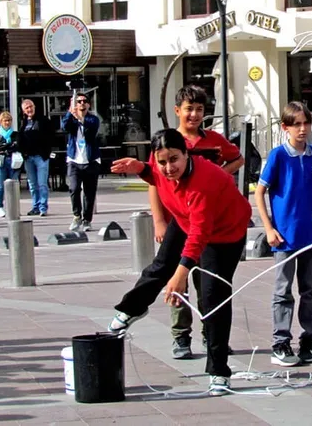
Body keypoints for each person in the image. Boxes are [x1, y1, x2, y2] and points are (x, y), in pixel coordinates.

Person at [108, 129, 251, 396]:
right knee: (160, 265)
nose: (168, 167)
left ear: (186, 154)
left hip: (224, 233)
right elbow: (154, 174)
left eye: (174, 159)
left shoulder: (203, 181)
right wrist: (140, 167)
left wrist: (181, 274)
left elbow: (200, 234)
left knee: (213, 297)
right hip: (186, 219)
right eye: (162, 161)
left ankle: (219, 371)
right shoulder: (159, 168)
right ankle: (132, 309)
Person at [154, 85, 244, 359]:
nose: (194, 115)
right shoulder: (169, 142)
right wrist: (159, 220)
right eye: (189, 109)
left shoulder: (214, 139)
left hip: (211, 228)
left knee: (208, 285)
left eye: (200, 110)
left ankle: (211, 333)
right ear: (177, 111)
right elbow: (155, 181)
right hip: (180, 225)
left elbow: (238, 159)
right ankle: (181, 336)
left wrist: (218, 174)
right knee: (177, 278)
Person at [255, 102, 312, 367]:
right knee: (283, 289)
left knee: (309, 289)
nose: (303, 129)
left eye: (306, 123)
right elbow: (260, 192)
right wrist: (269, 227)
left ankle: (308, 339)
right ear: (285, 127)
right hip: (284, 235)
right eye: (296, 124)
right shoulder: (278, 156)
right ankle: (280, 341)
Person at [61, 92, 101, 232]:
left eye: (84, 101)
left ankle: (87, 220)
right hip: (74, 160)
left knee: (89, 192)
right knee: (74, 188)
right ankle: (76, 215)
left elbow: (91, 130)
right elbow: (65, 126)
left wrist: (80, 118)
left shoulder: (93, 119)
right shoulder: (71, 119)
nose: (82, 104)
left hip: (90, 160)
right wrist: (70, 112)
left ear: (89, 104)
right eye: (78, 101)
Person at [19, 99, 53, 216]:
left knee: (42, 183)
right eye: (26, 108)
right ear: (23, 111)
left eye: (30, 107)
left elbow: (50, 136)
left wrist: (47, 152)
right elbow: (21, 139)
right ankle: (35, 206)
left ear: (34, 106)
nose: (29, 109)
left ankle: (43, 207)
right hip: (28, 157)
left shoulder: (43, 120)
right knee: (32, 184)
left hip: (41, 156)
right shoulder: (23, 123)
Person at [0, 111, 20, 218]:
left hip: (12, 161)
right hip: (0, 162)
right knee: (0, 185)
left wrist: (5, 146)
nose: (7, 123)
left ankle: (13, 207)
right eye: (5, 121)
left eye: (9, 120)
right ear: (1, 122)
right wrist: (8, 145)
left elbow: (16, 146)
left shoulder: (15, 134)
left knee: (13, 185)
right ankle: (0, 207)